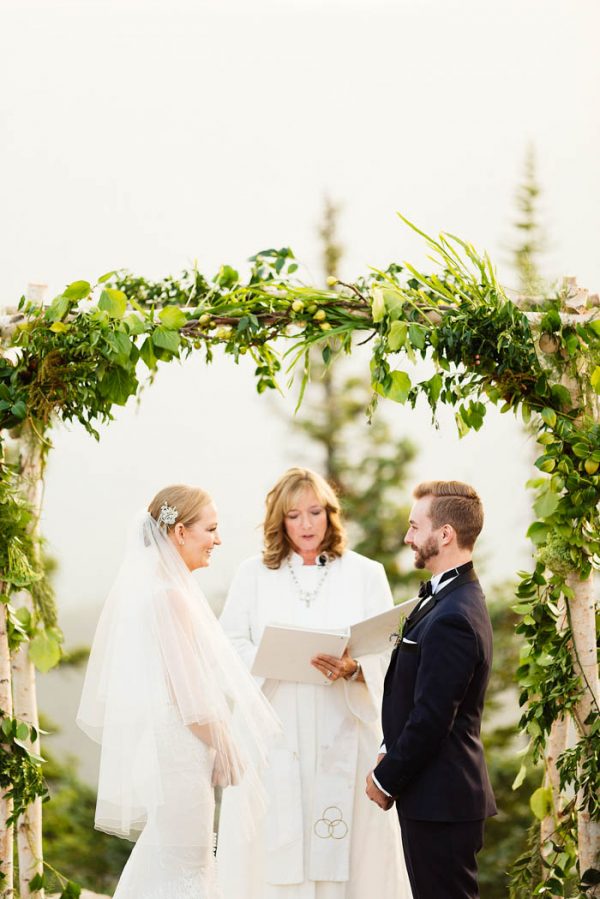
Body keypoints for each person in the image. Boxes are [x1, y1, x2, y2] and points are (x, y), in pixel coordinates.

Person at [77, 484, 281, 899]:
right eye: (211, 529)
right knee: (188, 871)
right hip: (183, 756)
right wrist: (227, 746)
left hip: (171, 753)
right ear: (180, 532)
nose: (218, 540)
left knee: (168, 864)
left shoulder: (158, 591)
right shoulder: (170, 597)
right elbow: (191, 699)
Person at [217, 467, 411, 899]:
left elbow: (389, 650)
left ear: (330, 514)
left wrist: (354, 668)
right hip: (275, 726)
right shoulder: (252, 574)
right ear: (278, 521)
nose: (306, 525)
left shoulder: (365, 573)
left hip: (342, 723)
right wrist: (275, 660)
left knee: (347, 842)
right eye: (293, 515)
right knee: (275, 842)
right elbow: (228, 641)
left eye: (314, 512)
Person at [366, 480, 497, 899]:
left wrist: (386, 778)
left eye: (414, 526)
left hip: (442, 800)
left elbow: (433, 716)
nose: (407, 537)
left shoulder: (454, 616)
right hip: (436, 796)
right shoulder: (447, 598)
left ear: (445, 534)